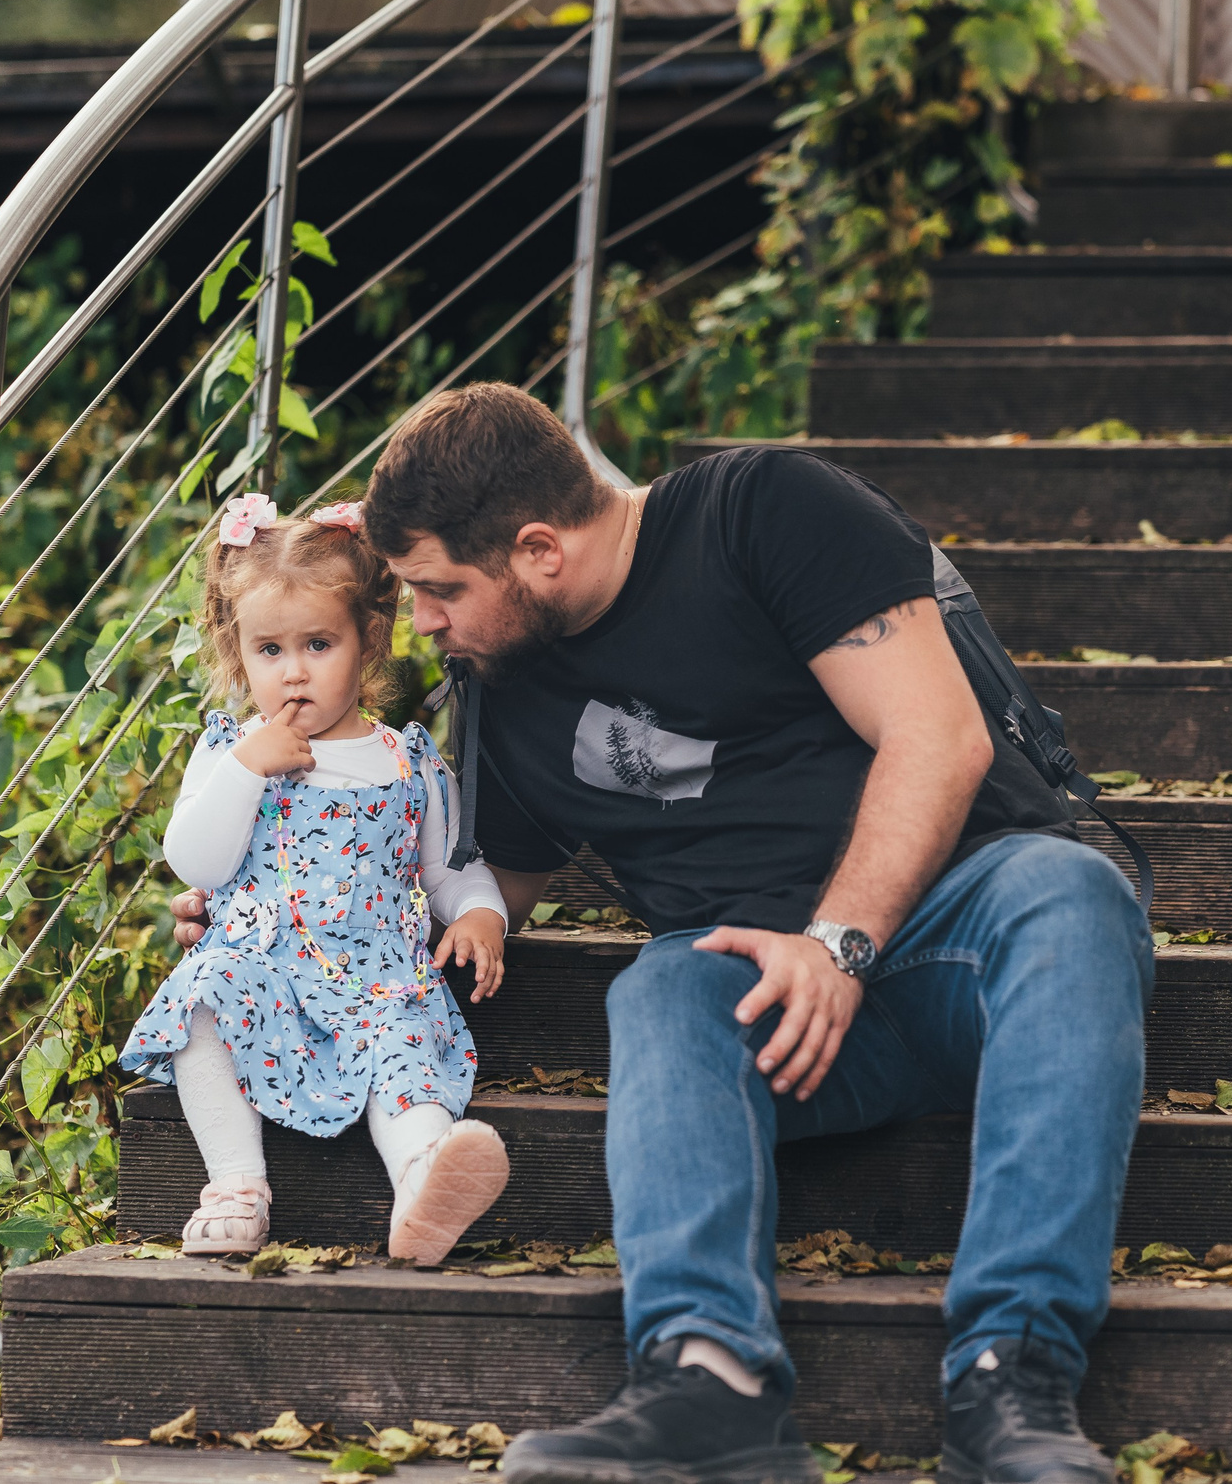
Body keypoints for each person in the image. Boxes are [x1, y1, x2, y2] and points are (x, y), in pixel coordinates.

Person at [243, 384, 1149, 1484]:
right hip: (768, 1013)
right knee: (663, 987)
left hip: (962, 938)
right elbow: (471, 901)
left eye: (439, 591)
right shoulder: (507, 688)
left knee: (1072, 891)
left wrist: (835, 943)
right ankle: (709, 1383)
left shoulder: (762, 510)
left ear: (538, 550)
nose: (422, 623)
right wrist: (265, 903)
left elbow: (938, 735)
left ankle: (1012, 1377)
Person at [122, 494, 513, 1263]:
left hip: (374, 982)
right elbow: (194, 862)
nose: (293, 670)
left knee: (402, 1051)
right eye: (270, 650)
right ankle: (236, 1183)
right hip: (260, 972)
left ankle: (424, 1182)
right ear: (239, 652)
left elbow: (450, 868)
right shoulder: (231, 748)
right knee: (202, 999)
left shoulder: (405, 759)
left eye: (317, 644)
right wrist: (245, 768)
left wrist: (479, 914)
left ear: (367, 639)